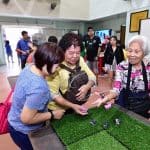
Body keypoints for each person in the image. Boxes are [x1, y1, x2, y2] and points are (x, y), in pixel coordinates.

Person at [8, 43, 65, 150]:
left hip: (13, 123)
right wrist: (53, 114)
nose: (57, 70)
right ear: (45, 63)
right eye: (56, 66)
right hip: (24, 132)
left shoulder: (30, 67)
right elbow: (26, 118)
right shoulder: (39, 88)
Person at [93, 35, 150, 119]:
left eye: (137, 51)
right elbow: (117, 89)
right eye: (129, 51)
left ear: (144, 53)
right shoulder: (122, 66)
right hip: (124, 104)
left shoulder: (148, 67)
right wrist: (106, 98)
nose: (132, 54)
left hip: (143, 108)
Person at [47, 33, 96, 115]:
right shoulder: (56, 64)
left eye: (78, 52)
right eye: (71, 53)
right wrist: (73, 106)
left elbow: (92, 77)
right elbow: (54, 95)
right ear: (62, 51)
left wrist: (87, 86)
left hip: (74, 104)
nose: (75, 56)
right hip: (58, 109)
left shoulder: (80, 60)